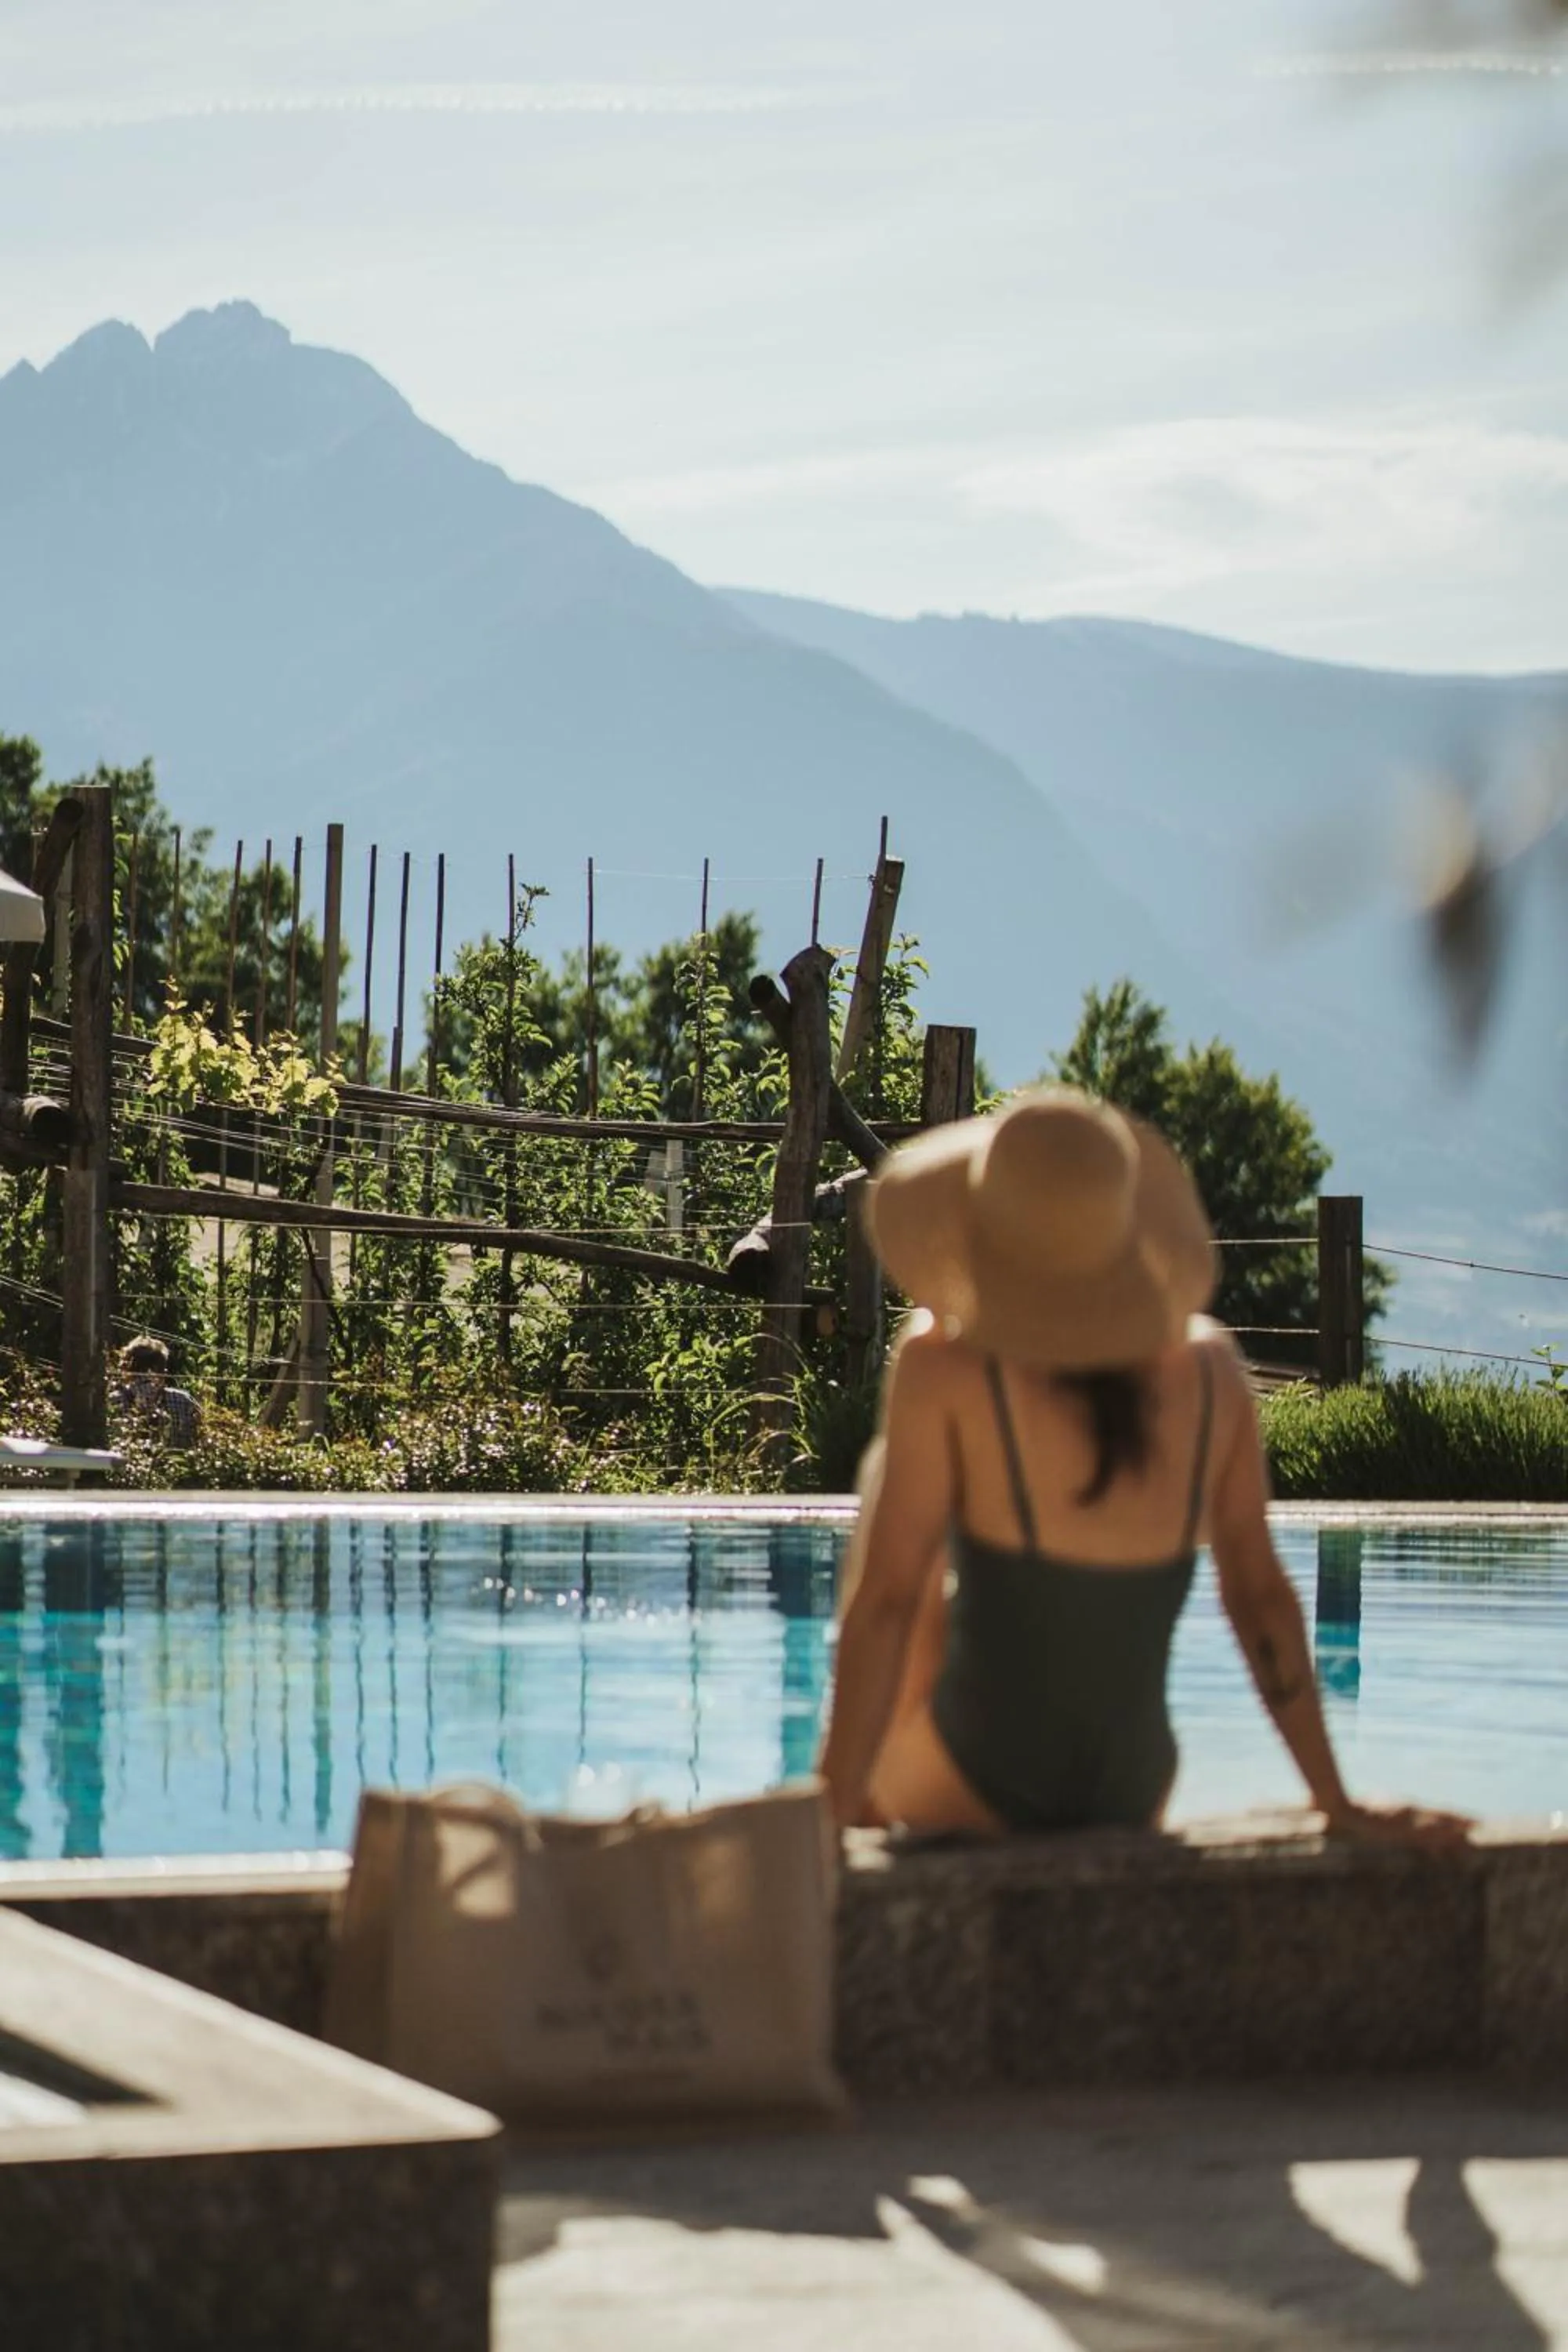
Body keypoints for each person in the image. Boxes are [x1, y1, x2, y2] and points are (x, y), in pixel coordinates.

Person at [818, 1087, 1467, 1850]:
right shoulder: (1210, 1372)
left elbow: (888, 1602)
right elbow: (1259, 1598)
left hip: (975, 1779)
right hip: (1131, 1784)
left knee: (891, 1493)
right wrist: (1334, 1801)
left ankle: (850, 1802)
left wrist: (820, 1822)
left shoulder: (945, 1368)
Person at [114, 1337, 202, 1450]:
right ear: (163, 1371)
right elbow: (199, 1441)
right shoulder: (184, 1401)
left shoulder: (114, 1402)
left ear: (127, 1368)